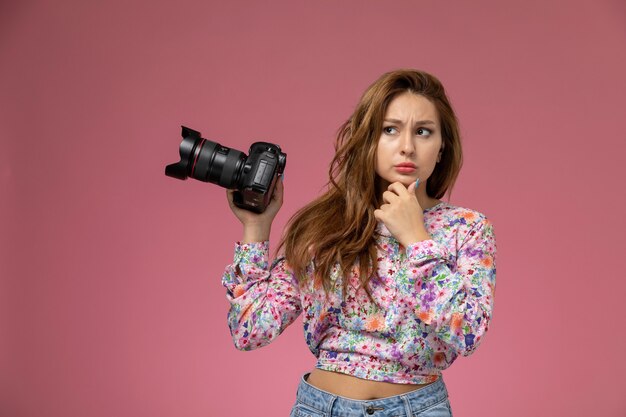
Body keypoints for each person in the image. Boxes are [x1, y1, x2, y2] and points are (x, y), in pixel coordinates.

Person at [221, 69, 497, 417]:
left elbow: (468, 332)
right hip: (321, 408)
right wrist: (256, 227)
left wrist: (416, 239)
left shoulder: (466, 229)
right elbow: (250, 331)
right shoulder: (325, 226)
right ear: (369, 139)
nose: (407, 146)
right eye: (390, 130)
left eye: (423, 131)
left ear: (442, 148)